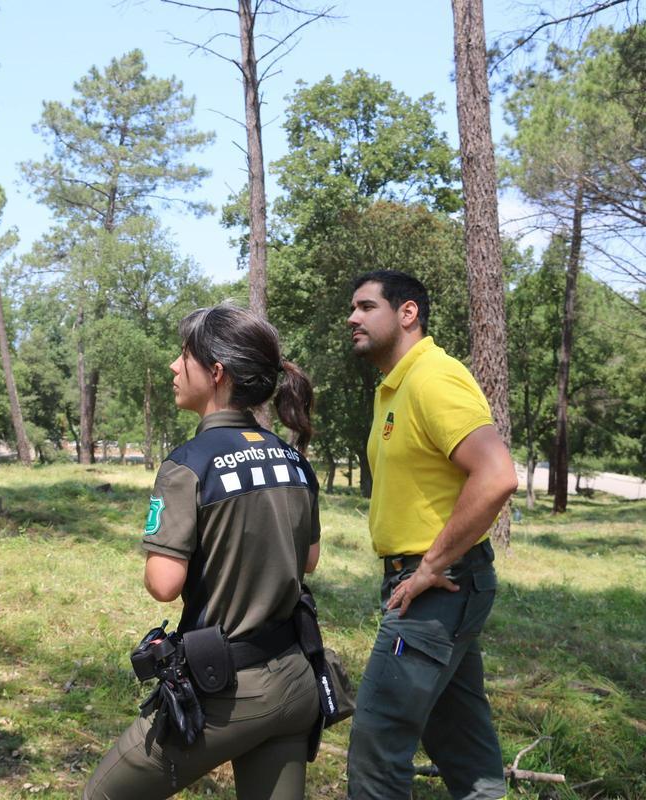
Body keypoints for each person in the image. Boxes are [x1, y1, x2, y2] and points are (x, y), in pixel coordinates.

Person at [85, 303, 322, 800]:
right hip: (296, 678)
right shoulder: (292, 460)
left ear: (216, 373)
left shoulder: (188, 464)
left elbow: (164, 584)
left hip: (227, 693)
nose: (173, 366)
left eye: (184, 356)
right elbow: (308, 563)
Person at [345, 269, 517, 800]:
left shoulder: (434, 377)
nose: (352, 318)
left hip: (434, 589)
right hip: (430, 586)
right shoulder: (393, 388)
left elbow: (497, 475)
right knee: (461, 741)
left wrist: (431, 564)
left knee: (377, 748)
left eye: (366, 306)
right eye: (352, 309)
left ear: (408, 313)